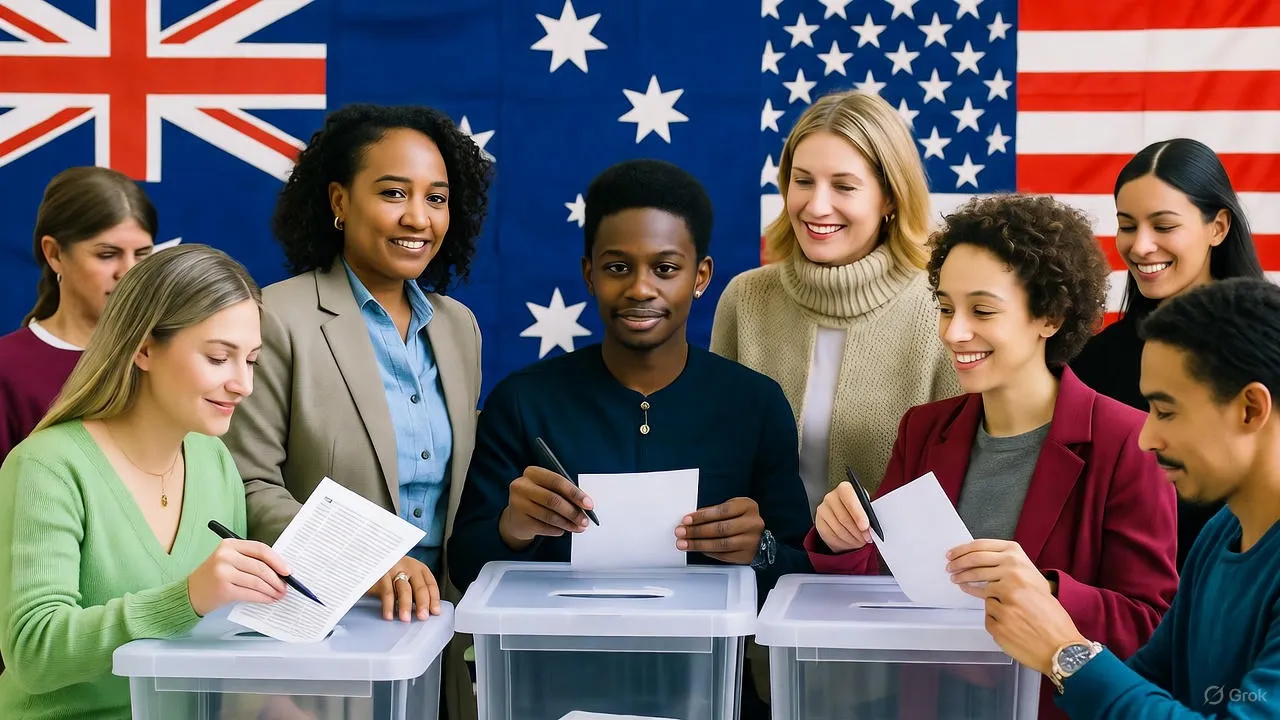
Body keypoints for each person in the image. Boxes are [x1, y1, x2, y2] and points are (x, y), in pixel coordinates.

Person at [808, 195, 1179, 720]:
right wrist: (841, 541)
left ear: (1050, 316)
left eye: (981, 310)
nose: (953, 332)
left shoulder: (1129, 442)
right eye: (945, 308)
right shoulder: (922, 429)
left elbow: (1152, 626)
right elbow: (883, 585)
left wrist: (1046, 590)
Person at [221, 103, 492, 720]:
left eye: (437, 198)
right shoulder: (275, 317)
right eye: (394, 193)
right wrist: (363, 561)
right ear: (339, 201)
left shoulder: (458, 327)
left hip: (442, 633)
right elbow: (246, 485)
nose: (418, 217)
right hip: (322, 634)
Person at [447, 158, 813, 592]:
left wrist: (760, 550)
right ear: (590, 275)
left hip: (709, 636)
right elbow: (464, 567)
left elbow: (801, 569)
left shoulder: (757, 405)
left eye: (665, 269)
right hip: (557, 634)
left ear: (700, 277)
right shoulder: (521, 402)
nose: (640, 288)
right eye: (618, 267)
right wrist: (513, 527)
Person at [0, 245, 290, 719]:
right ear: (144, 348)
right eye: (219, 358)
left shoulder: (213, 459)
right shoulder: (46, 467)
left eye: (252, 360)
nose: (244, 384)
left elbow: (221, 647)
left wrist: (275, 705)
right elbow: (33, 653)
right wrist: (187, 598)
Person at [987, 277, 1280, 718]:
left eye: (1166, 412)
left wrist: (1066, 654)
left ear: (1251, 408)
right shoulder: (1222, 533)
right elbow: (1151, 679)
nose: (1147, 438)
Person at [711, 89, 961, 517]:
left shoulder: (942, 309)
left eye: (844, 186)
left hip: (888, 561)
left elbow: (956, 487)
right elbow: (716, 456)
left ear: (890, 197)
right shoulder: (745, 298)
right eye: (803, 181)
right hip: (759, 558)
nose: (817, 205)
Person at [1070, 138, 1264, 572]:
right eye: (1127, 225)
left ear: (1218, 227)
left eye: (1163, 225)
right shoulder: (1092, 362)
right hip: (1122, 600)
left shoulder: (1268, 346)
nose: (1140, 246)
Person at [0, 166, 156, 464]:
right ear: (54, 254)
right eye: (107, 254)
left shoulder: (164, 353)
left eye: (142, 254)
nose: (128, 272)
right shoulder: (7, 368)